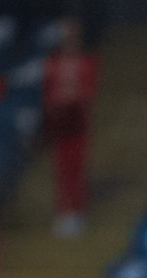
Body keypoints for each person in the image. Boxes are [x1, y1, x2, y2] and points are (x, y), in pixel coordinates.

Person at [44, 20, 101, 234]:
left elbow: (89, 90)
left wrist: (71, 97)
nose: (69, 40)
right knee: (61, 168)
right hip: (60, 119)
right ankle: (63, 211)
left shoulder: (88, 61)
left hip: (77, 118)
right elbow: (48, 91)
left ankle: (77, 210)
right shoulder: (52, 62)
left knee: (76, 167)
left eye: (74, 35)